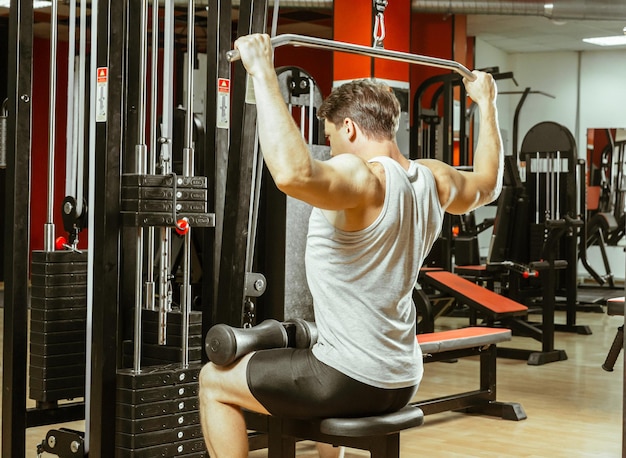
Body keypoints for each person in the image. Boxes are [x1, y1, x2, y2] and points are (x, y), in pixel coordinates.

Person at [199, 33, 503, 458]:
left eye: (331, 136)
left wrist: (263, 71)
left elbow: (292, 174)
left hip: (346, 378)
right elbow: (488, 185)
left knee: (214, 380)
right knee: (314, 359)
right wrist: (487, 104)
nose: (332, 147)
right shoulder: (434, 179)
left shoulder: (363, 177)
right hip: (401, 377)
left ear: (350, 128)